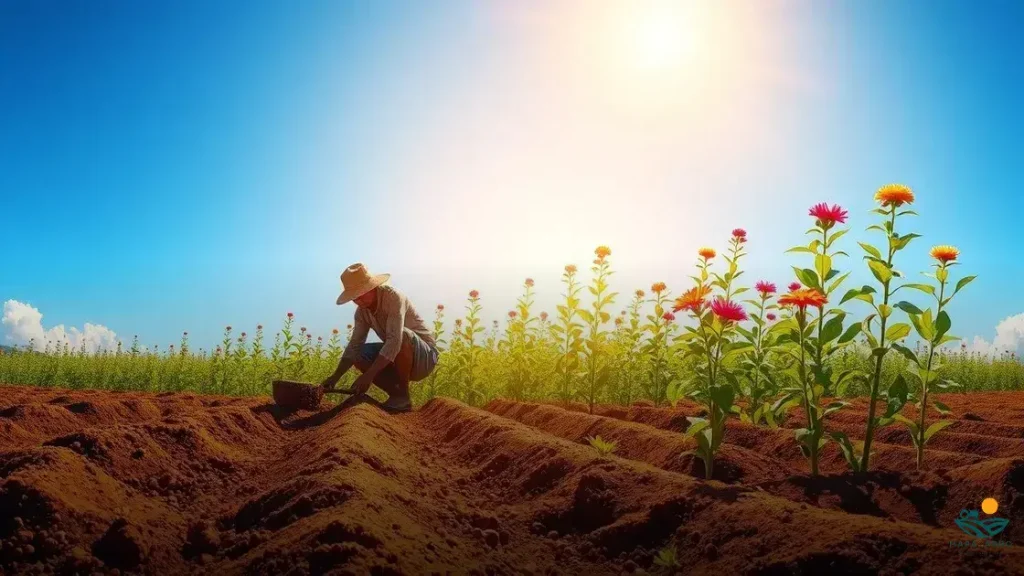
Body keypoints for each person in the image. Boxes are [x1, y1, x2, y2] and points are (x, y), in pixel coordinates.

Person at [320, 263, 439, 412]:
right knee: (357, 354)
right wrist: (335, 377)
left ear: (372, 287)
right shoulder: (362, 313)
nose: (359, 301)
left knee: (402, 335)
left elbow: (395, 341)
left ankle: (403, 396)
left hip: (425, 357)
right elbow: (354, 345)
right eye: (355, 298)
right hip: (395, 358)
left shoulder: (393, 298)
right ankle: (398, 395)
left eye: (362, 294)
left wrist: (368, 376)